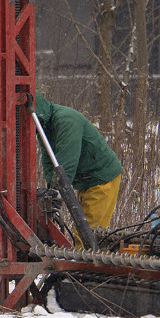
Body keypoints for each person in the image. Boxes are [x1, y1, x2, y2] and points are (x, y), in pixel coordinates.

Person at [34, 93, 123, 238]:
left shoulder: (66, 121)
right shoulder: (45, 126)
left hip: (101, 178)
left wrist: (55, 192)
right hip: (86, 181)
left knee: (89, 235)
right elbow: (48, 160)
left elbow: (66, 163)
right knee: (83, 231)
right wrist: (50, 190)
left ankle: (89, 260)